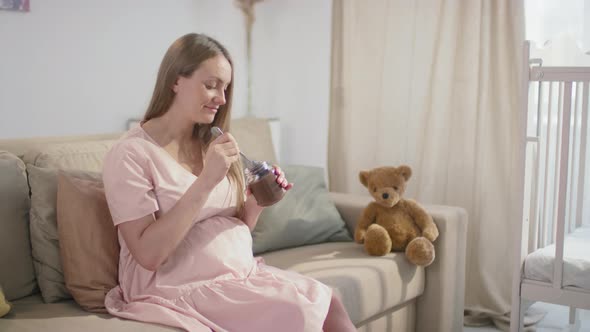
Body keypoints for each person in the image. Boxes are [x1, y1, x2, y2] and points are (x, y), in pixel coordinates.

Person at [102, 33, 356, 332]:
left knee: (330, 301)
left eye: (225, 88)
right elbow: (148, 254)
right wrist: (206, 181)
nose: (221, 99)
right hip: (176, 285)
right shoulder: (131, 154)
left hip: (237, 273)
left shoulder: (211, 140)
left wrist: (256, 203)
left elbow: (229, 228)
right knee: (300, 311)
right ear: (175, 81)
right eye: (211, 85)